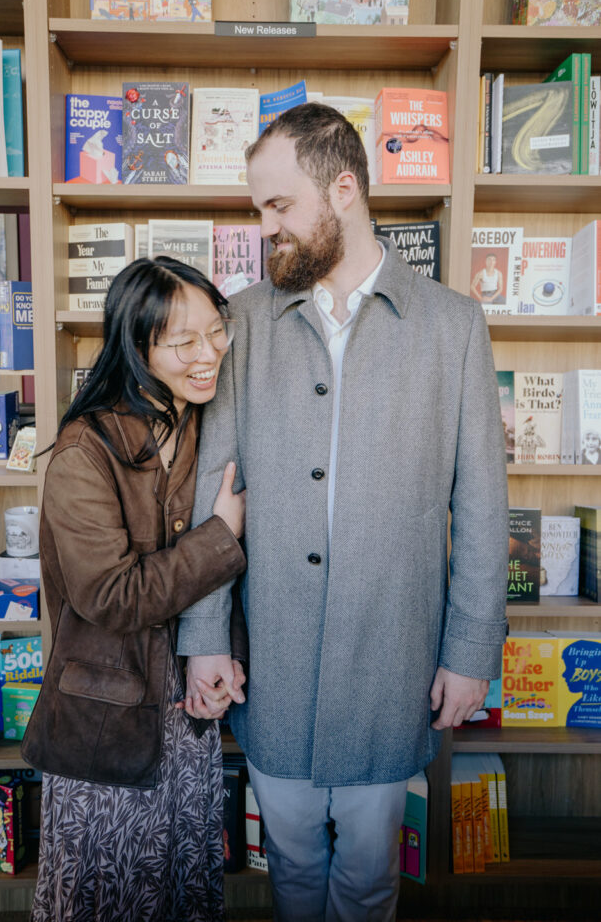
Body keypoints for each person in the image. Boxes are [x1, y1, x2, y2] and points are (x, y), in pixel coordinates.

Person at [178, 103, 509, 922]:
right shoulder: (243, 323)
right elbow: (208, 498)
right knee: (288, 870)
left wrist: (471, 653)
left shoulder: (452, 325)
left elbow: (480, 502)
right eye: (258, 209)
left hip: (391, 663)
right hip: (273, 666)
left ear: (345, 190)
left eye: (279, 206)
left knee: (367, 880)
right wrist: (204, 639)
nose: (265, 228)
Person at [22, 257, 248, 922]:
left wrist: (222, 653)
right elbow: (112, 597)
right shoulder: (83, 451)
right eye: (183, 342)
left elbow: (224, 586)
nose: (207, 355)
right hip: (104, 726)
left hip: (185, 719)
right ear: (137, 343)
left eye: (216, 332)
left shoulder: (209, 428)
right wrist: (219, 534)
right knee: (105, 896)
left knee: (181, 890)